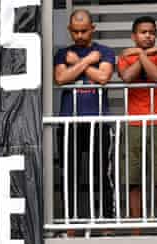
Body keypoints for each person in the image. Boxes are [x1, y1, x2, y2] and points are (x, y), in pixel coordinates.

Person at [54, 9, 116, 228]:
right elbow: (61, 78)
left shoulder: (106, 51)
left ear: (92, 29)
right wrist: (89, 61)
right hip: (69, 123)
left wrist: (78, 64)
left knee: (102, 174)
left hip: (98, 122)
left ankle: (107, 223)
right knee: (69, 174)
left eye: (84, 31)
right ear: (70, 30)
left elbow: (103, 77)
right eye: (75, 32)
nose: (79, 36)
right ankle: (71, 225)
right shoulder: (63, 54)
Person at [117, 16, 157, 231]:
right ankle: (135, 228)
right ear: (134, 36)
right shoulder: (124, 59)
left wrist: (140, 54)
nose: (148, 36)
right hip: (134, 123)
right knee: (134, 178)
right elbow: (128, 78)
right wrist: (146, 54)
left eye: (151, 32)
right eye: (143, 32)